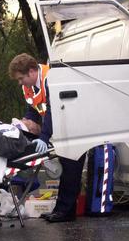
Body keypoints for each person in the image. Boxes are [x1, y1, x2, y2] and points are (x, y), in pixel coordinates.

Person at [8, 53, 82, 223]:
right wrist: (26, 123)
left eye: (21, 78)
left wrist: (44, 136)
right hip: (60, 129)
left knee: (71, 170)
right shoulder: (29, 86)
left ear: (32, 71)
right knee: (67, 170)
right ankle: (63, 210)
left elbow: (52, 110)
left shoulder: (50, 79)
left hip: (72, 128)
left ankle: (65, 211)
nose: (20, 83)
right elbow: (33, 109)